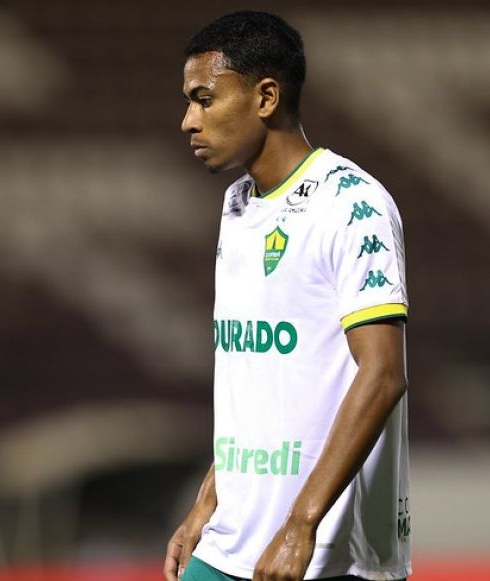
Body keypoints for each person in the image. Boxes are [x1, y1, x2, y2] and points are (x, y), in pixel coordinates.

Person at [165, 11, 411, 581]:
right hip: (232, 542)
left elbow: (382, 375)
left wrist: (301, 523)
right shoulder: (237, 205)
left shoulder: (354, 205)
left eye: (204, 99)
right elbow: (258, 380)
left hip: (327, 557)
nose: (188, 121)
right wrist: (209, 499)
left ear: (266, 97)